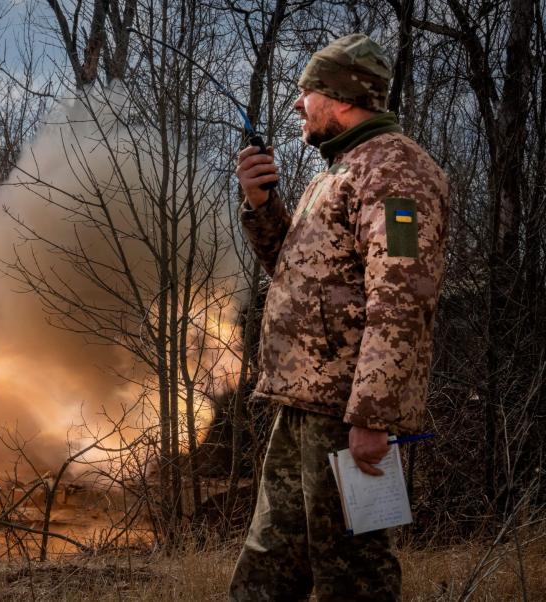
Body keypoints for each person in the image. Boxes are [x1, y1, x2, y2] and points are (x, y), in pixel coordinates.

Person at [227, 34, 450, 601]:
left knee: (352, 578)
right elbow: (300, 274)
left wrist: (373, 414)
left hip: (345, 414)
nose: (298, 105)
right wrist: (262, 206)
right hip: (300, 405)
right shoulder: (338, 171)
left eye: (307, 93)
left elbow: (401, 295)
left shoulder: (396, 173)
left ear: (342, 97)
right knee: (267, 570)